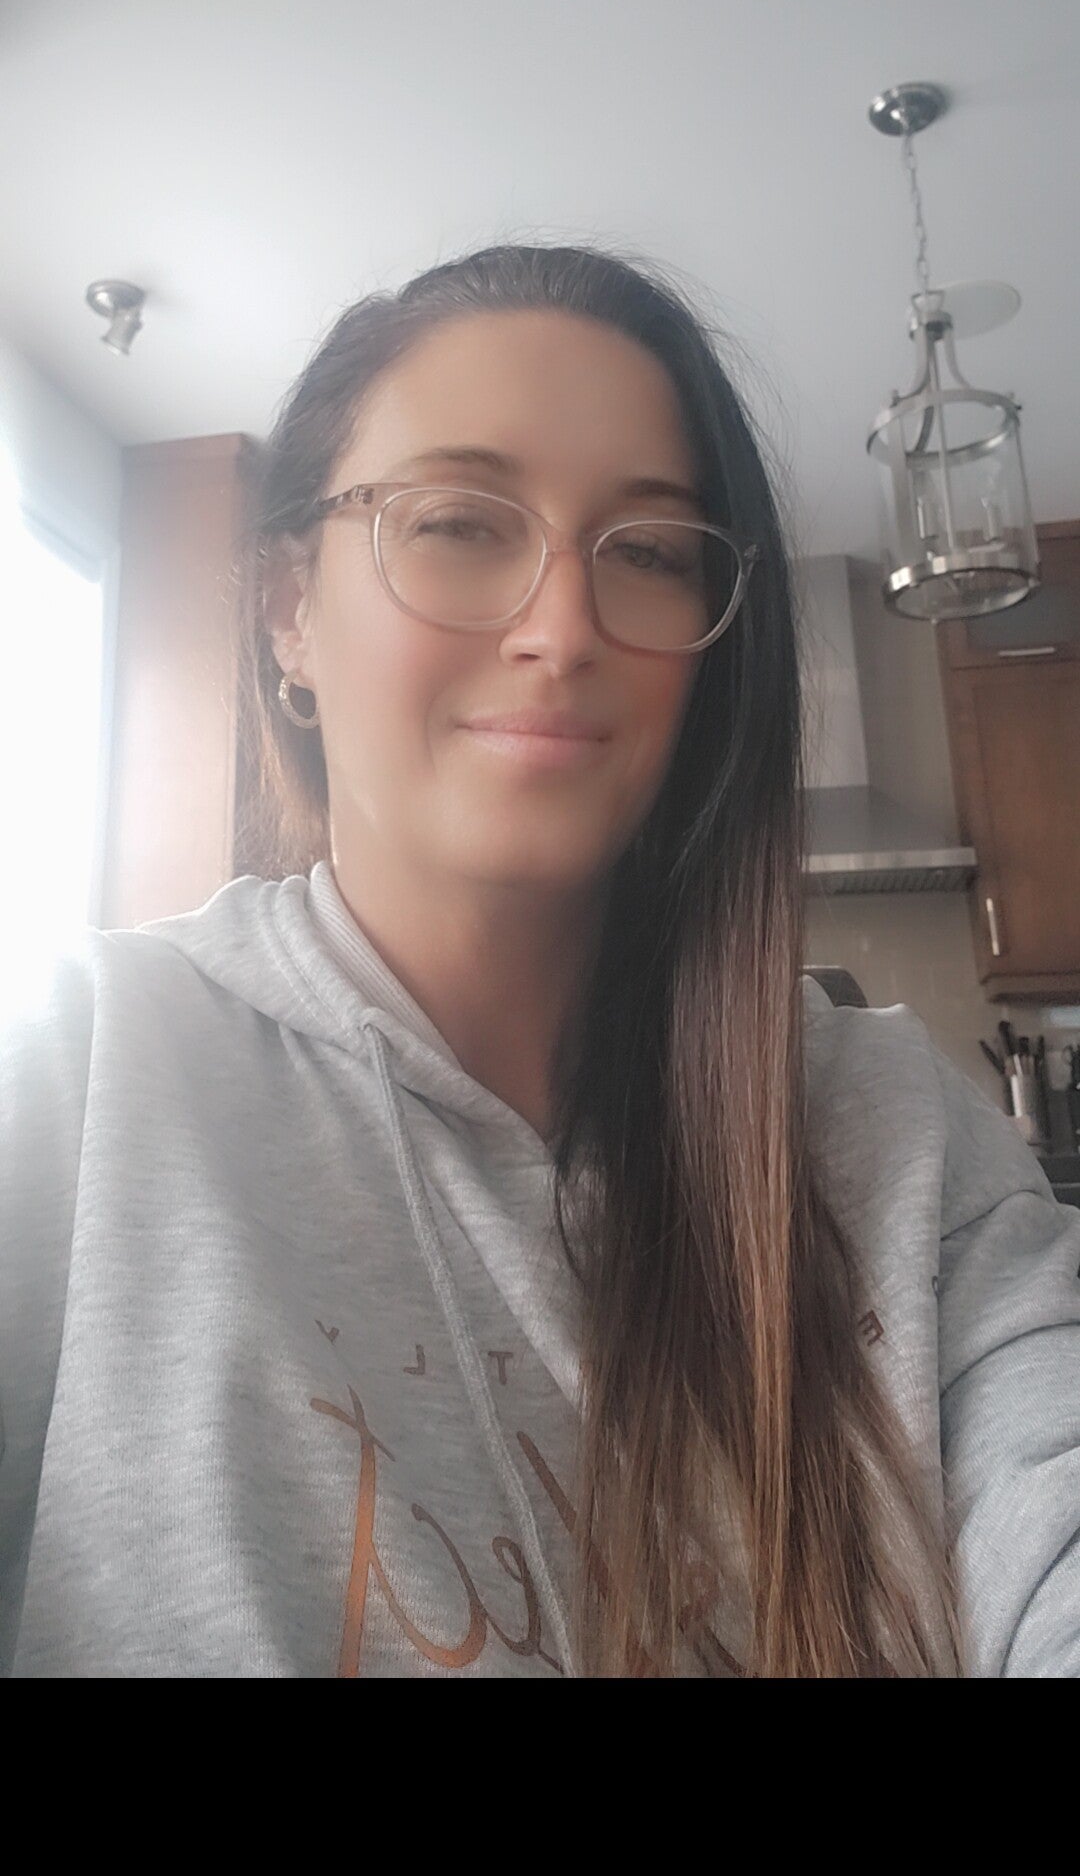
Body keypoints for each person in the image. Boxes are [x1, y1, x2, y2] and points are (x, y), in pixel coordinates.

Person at [3, 244, 1079, 1680]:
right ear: (288, 609)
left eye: (648, 552)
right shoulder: (76, 1079)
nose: (564, 630)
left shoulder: (893, 1133)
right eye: (458, 523)